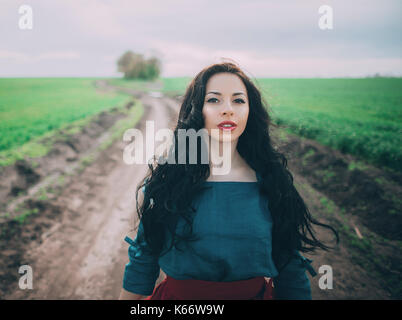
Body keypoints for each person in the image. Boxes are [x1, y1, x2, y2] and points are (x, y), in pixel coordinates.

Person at [118, 62, 339, 300]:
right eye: (214, 100)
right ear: (196, 110)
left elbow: (290, 270)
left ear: (249, 111)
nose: (228, 110)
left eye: (238, 100)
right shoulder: (169, 180)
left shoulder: (273, 183)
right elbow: (143, 260)